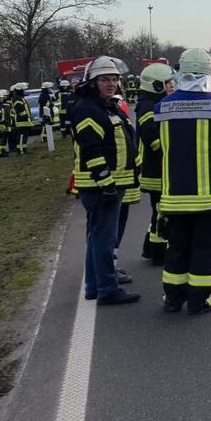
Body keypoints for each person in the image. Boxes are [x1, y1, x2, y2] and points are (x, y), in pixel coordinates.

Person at [153, 48, 211, 315]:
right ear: (210, 73)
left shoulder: (162, 106)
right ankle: (201, 300)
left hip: (175, 192)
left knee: (176, 246)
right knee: (206, 247)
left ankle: (173, 299)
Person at [70, 56, 140, 305]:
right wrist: (105, 181)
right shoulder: (88, 109)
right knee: (103, 240)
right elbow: (91, 150)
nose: (111, 84)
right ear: (92, 83)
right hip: (102, 186)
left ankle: (93, 287)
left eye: (114, 79)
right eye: (104, 80)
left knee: (95, 237)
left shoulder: (105, 105)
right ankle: (108, 290)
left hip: (110, 183)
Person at [135, 62, 175, 265]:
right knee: (161, 213)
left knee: (158, 212)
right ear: (156, 85)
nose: (171, 87)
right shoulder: (148, 106)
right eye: (168, 84)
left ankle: (150, 249)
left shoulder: (150, 103)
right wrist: (174, 152)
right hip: (155, 171)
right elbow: (152, 136)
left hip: (156, 170)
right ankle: (158, 253)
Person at [9, 82, 35, 154]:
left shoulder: (19, 98)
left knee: (23, 137)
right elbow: (20, 110)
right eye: (24, 90)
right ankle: (20, 150)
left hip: (23, 122)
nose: (25, 91)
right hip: (21, 122)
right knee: (21, 137)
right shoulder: (17, 99)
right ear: (20, 90)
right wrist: (26, 116)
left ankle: (23, 149)